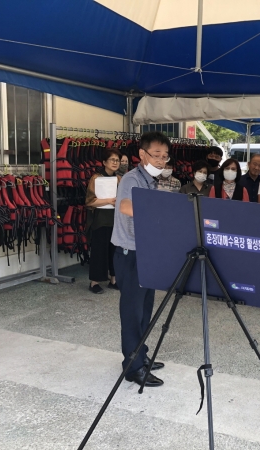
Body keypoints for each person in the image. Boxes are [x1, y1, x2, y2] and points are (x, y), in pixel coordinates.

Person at [111, 131, 170, 388]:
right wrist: (160, 213)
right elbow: (125, 206)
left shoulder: (150, 181)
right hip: (130, 253)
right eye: (156, 155)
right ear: (142, 154)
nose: (161, 161)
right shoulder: (132, 178)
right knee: (132, 313)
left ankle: (140, 355)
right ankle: (133, 367)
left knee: (145, 310)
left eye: (165, 156)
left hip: (146, 252)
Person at [85, 148, 122, 294]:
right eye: (112, 160)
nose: (115, 162)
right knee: (99, 252)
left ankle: (114, 280)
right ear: (104, 162)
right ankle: (94, 282)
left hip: (116, 220)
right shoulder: (96, 178)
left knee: (115, 251)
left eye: (117, 160)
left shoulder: (119, 179)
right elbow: (89, 201)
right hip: (100, 220)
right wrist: (109, 201)